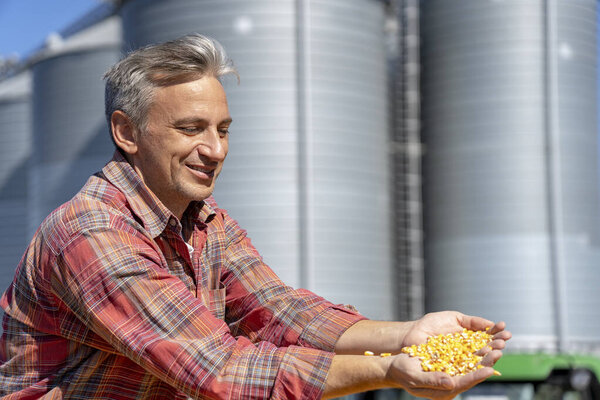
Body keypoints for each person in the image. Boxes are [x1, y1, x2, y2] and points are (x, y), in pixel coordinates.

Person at [0, 34, 510, 399]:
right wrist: (392, 371)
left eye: (223, 129)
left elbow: (275, 311)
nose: (215, 149)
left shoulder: (206, 222)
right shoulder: (92, 234)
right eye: (191, 128)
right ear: (126, 133)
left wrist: (405, 335)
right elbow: (219, 370)